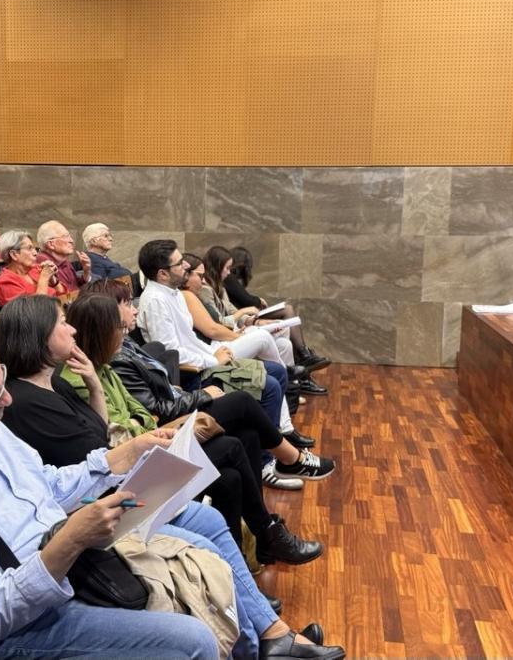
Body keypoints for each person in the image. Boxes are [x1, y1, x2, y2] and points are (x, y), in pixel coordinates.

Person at [0, 333, 345, 659]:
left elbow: (50, 484)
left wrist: (125, 453)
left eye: (2, 383)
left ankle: (268, 643)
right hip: (35, 615)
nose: (6, 399)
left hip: (71, 554)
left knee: (203, 535)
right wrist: (73, 539)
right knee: (191, 640)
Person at [60, 293, 329, 562]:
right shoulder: (86, 377)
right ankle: (281, 486)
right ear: (101, 332)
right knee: (240, 410)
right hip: (138, 467)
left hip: (153, 438)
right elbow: (114, 435)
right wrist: (147, 418)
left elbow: (140, 413)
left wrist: (141, 421)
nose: (125, 330)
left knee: (236, 461)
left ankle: (246, 556)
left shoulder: (104, 367)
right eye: (118, 327)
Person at [82, 279, 335, 491]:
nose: (134, 309)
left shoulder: (123, 346)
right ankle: (288, 458)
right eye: (127, 304)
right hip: (174, 409)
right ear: (108, 314)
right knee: (247, 398)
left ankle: (268, 520)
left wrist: (163, 401)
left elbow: (141, 406)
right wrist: (201, 391)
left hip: (179, 393)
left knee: (246, 434)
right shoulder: (112, 359)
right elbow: (145, 413)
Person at [137, 240, 316, 450]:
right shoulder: (156, 301)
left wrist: (214, 353)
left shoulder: (172, 293)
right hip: (193, 376)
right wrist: (213, 359)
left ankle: (280, 436)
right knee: (270, 385)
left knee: (277, 371)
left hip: (205, 360)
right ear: (163, 274)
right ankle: (269, 458)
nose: (186, 266)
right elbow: (172, 354)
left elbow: (191, 340)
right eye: (179, 264)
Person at [226, 246, 330, 372]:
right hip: (244, 320)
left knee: (286, 326)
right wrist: (259, 300)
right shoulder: (228, 278)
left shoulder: (230, 279)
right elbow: (247, 300)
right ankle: (304, 355)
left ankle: (303, 358)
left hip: (246, 318)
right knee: (288, 310)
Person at [0, 229, 61, 307]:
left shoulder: (36, 269)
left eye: (35, 249)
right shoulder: (5, 283)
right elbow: (32, 312)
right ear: (14, 254)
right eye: (29, 248)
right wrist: (44, 278)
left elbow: (65, 295)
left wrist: (53, 281)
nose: (35, 253)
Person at [35, 220, 91, 292]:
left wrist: (86, 271)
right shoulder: (44, 264)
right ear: (51, 244)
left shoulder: (64, 261)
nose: (71, 241)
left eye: (70, 236)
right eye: (65, 236)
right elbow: (62, 296)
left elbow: (76, 286)